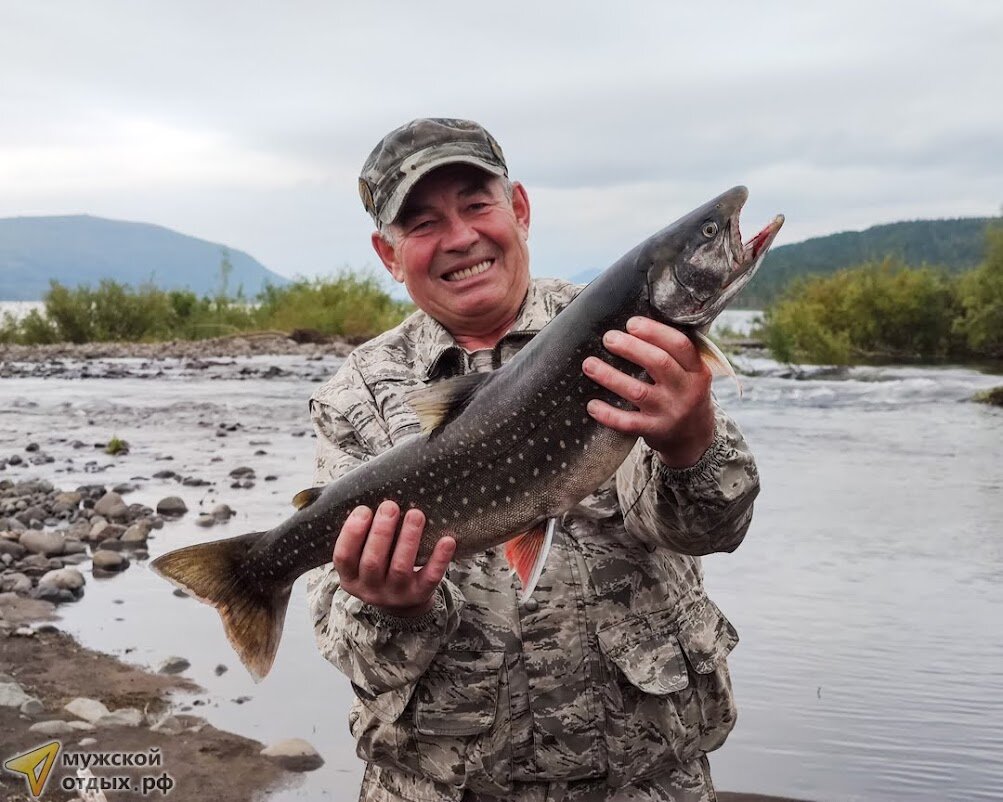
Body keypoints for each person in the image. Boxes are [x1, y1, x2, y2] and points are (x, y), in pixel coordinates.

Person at [306, 118, 759, 802]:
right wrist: (391, 609)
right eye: (423, 222)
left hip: (644, 782)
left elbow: (707, 531)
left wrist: (689, 440)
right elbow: (356, 651)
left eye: (477, 205)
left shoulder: (628, 342)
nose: (460, 237)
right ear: (388, 254)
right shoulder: (355, 395)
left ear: (518, 210)